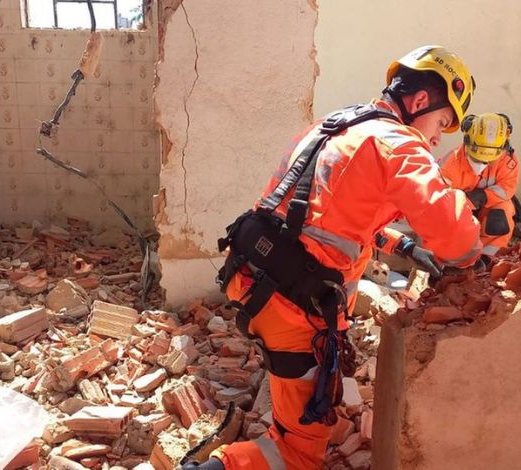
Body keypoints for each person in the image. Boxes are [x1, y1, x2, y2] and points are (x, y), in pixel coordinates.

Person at [188, 45, 482, 470]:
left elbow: (328, 217)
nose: (437, 138)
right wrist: (473, 244)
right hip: (291, 304)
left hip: (258, 272)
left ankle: (305, 415)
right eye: (440, 122)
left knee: (322, 402)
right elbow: (458, 238)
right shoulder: (398, 144)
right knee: (295, 452)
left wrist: (406, 248)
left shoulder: (338, 126)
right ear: (420, 102)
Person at [439, 112, 521, 269]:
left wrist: (483, 196)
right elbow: (440, 203)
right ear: (467, 143)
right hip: (458, 208)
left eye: (489, 160)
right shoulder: (450, 163)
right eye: (477, 158)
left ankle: (487, 259)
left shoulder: (508, 160)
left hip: (489, 205)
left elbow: (507, 188)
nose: (482, 163)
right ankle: (446, 264)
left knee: (503, 211)